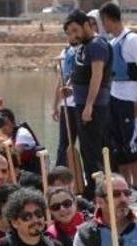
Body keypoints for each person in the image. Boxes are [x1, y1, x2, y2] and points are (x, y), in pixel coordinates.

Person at [100, 2, 137, 201]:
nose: (103, 26)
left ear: (108, 19)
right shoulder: (113, 42)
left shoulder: (132, 40)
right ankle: (126, 187)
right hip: (115, 99)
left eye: (103, 21)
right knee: (119, 146)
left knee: (132, 144)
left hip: (130, 100)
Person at [65, 9, 113, 200]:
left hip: (94, 106)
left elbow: (97, 75)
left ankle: (96, 192)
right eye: (69, 33)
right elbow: (82, 74)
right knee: (86, 149)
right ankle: (92, 188)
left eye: (75, 30)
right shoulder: (83, 47)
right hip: (82, 103)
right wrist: (70, 89)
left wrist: (89, 106)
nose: (73, 36)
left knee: (92, 151)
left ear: (87, 25)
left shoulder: (97, 45)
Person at [53, 24, 81, 169]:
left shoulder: (85, 50)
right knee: (64, 143)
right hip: (66, 105)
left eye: (74, 33)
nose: (71, 37)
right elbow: (60, 80)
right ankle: (60, 174)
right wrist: (55, 106)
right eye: (68, 34)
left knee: (86, 143)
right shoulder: (65, 53)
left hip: (81, 104)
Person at [0, 107, 43, 175]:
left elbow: (16, 158)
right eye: (0, 124)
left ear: (13, 123)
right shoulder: (4, 136)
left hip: (30, 173)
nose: (3, 127)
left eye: (6, 124)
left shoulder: (22, 133)